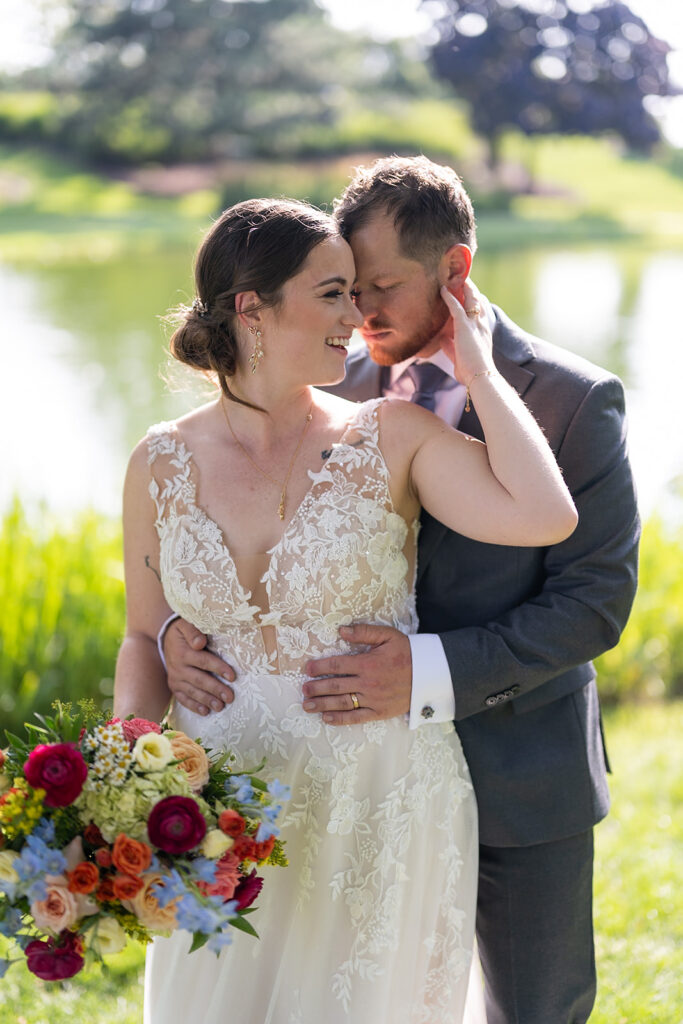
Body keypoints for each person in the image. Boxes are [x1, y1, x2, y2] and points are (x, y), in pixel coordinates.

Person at [162, 158, 640, 1024]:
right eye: (343, 288)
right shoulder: (320, 372)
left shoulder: (573, 400)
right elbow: (220, 516)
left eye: (379, 286)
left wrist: (427, 671)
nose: (358, 313)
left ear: (454, 272)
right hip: (334, 775)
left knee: (535, 1008)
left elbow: (593, 600)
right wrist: (171, 630)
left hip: (517, 763)